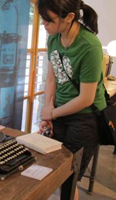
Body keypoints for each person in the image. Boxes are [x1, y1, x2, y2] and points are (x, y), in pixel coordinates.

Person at [38, 0, 106, 199]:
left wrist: (52, 113)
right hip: (59, 112)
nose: (44, 24)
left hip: (85, 119)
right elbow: (51, 79)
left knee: (69, 176)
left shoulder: (90, 45)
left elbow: (86, 98)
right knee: (55, 171)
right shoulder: (53, 39)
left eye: (48, 20)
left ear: (69, 17)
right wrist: (47, 111)